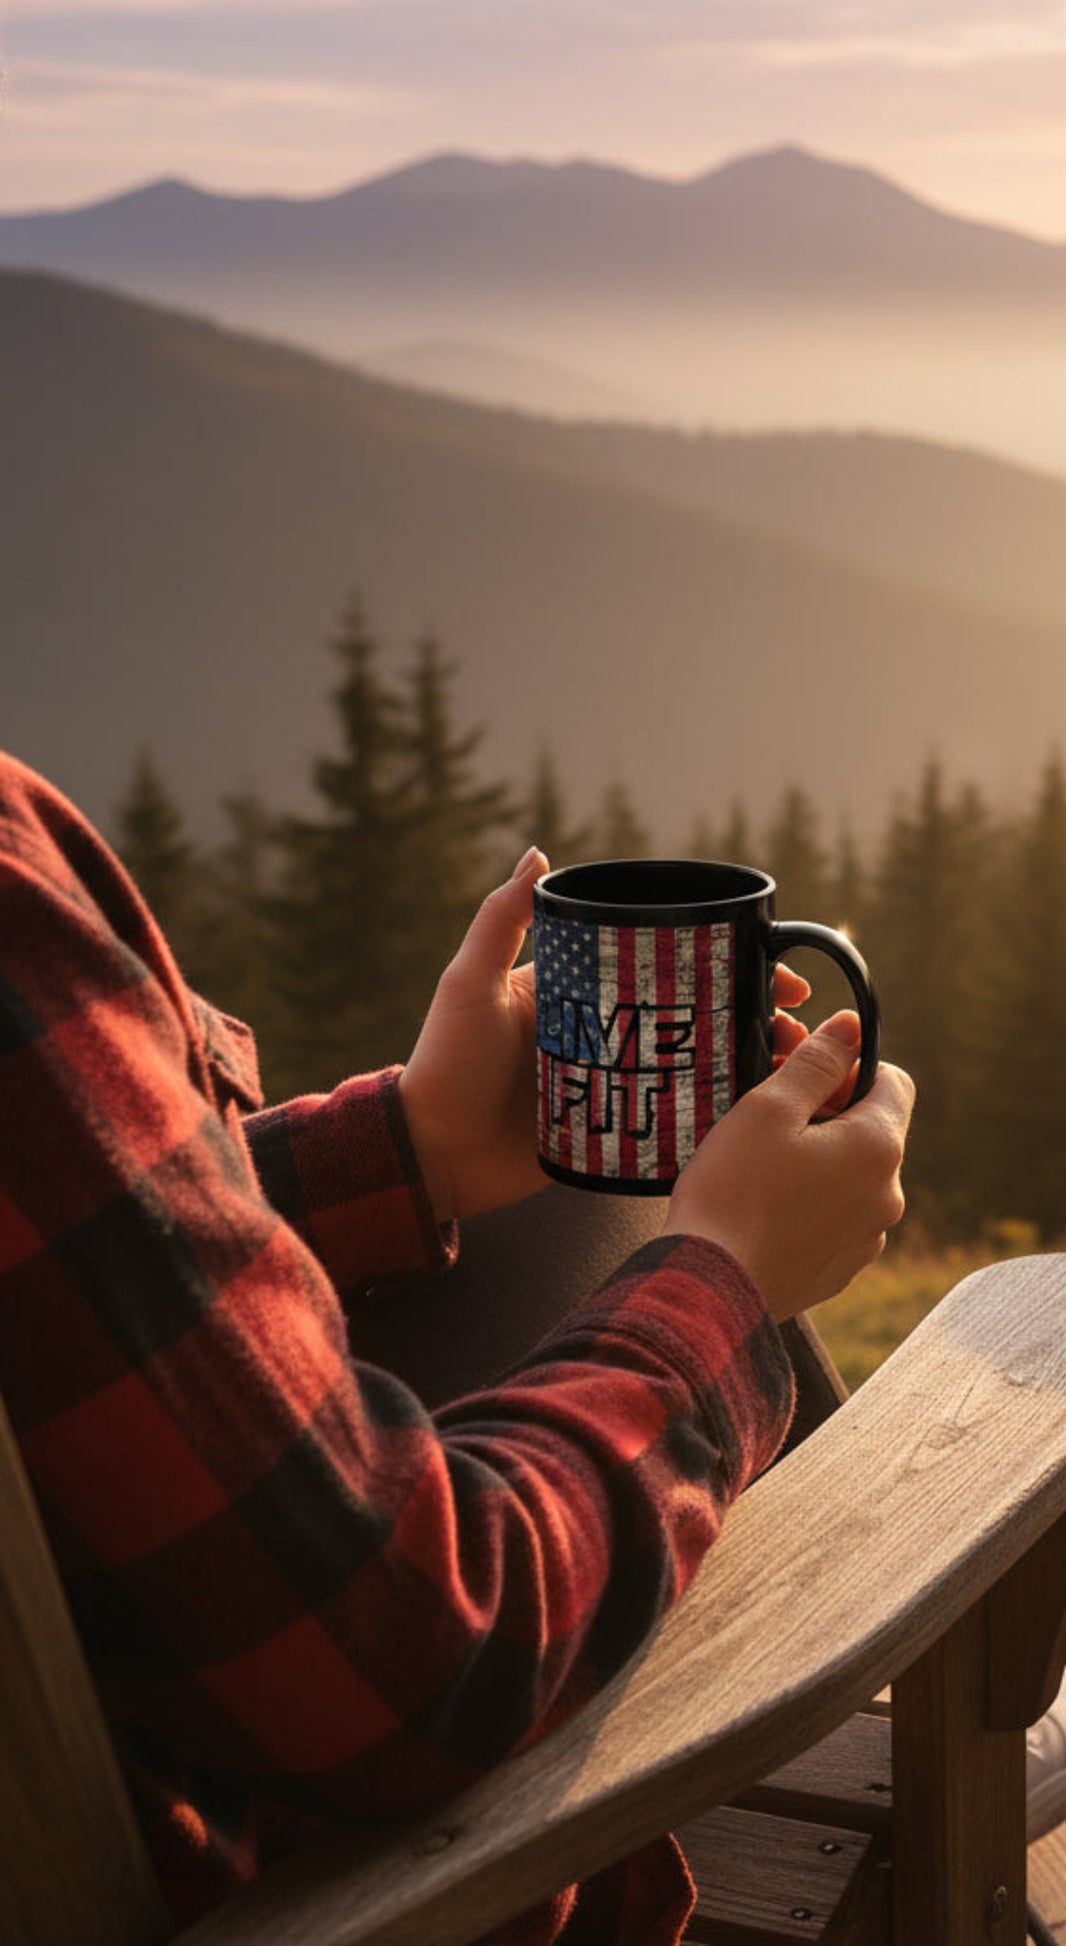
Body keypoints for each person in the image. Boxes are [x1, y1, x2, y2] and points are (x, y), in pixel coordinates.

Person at [0, 749, 914, 1944]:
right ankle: (914, 1681)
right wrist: (725, 1295)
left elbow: (72, 1261)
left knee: (606, 1190)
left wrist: (408, 1145)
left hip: (146, 1675)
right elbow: (412, 1651)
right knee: (680, 1223)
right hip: (304, 1881)